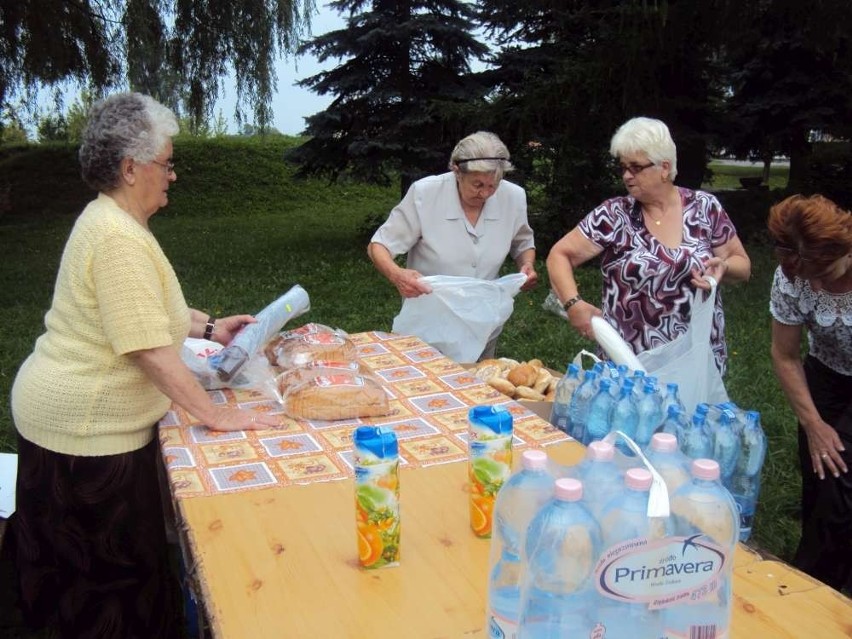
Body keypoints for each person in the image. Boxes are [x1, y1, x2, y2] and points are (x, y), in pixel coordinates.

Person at [9, 92, 279, 638]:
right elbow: (147, 349)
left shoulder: (116, 223)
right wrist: (218, 417)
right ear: (132, 169)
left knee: (79, 575)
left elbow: (150, 312)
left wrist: (209, 327)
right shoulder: (116, 236)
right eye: (166, 163)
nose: (172, 175)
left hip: (74, 425)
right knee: (104, 584)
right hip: (83, 435)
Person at [547, 117, 751, 374]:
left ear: (664, 167)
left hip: (696, 358)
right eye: (623, 167)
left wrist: (724, 266)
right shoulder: (614, 214)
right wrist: (572, 303)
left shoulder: (704, 207)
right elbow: (559, 255)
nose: (627, 176)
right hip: (629, 363)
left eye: (636, 167)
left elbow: (742, 265)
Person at [368, 131, 538, 360]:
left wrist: (526, 264)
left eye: (493, 185)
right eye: (477, 184)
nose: (486, 193)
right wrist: (397, 275)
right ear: (457, 171)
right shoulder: (425, 194)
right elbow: (379, 245)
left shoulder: (513, 197)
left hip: (482, 322)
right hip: (429, 322)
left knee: (477, 385)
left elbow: (522, 241)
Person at [768, 194, 851, 592]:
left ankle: (827, 589)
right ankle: (812, 573)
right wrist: (813, 422)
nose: (815, 284)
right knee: (818, 476)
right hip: (824, 376)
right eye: (805, 277)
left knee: (841, 479)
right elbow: (785, 356)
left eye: (825, 273)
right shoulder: (791, 274)